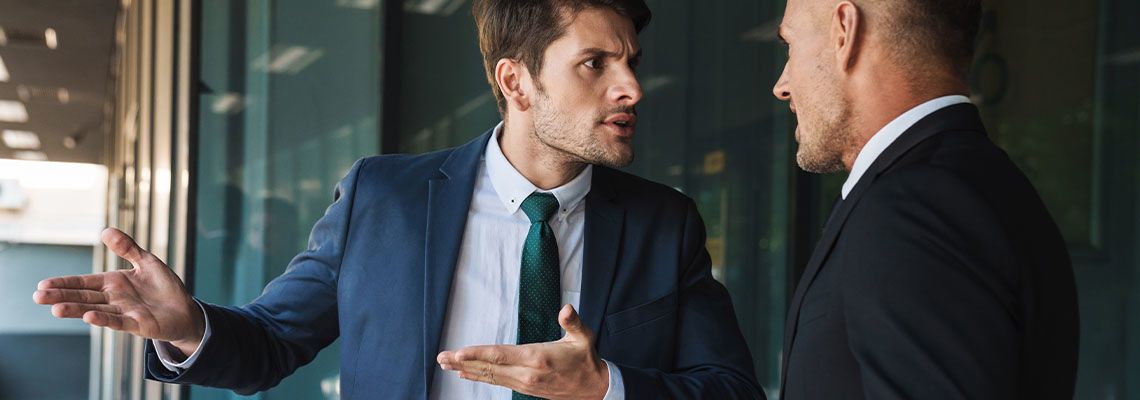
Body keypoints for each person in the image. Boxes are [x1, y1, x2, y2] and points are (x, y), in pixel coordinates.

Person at [33, 0, 764, 399]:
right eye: (595, 64)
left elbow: (730, 391)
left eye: (631, 63)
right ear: (516, 83)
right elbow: (274, 344)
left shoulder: (663, 224)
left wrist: (607, 390)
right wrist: (190, 326)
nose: (630, 87)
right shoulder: (384, 198)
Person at [772, 0, 1079, 398]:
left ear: (843, 32)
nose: (782, 85)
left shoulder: (913, 208)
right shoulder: (983, 185)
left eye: (790, 46)